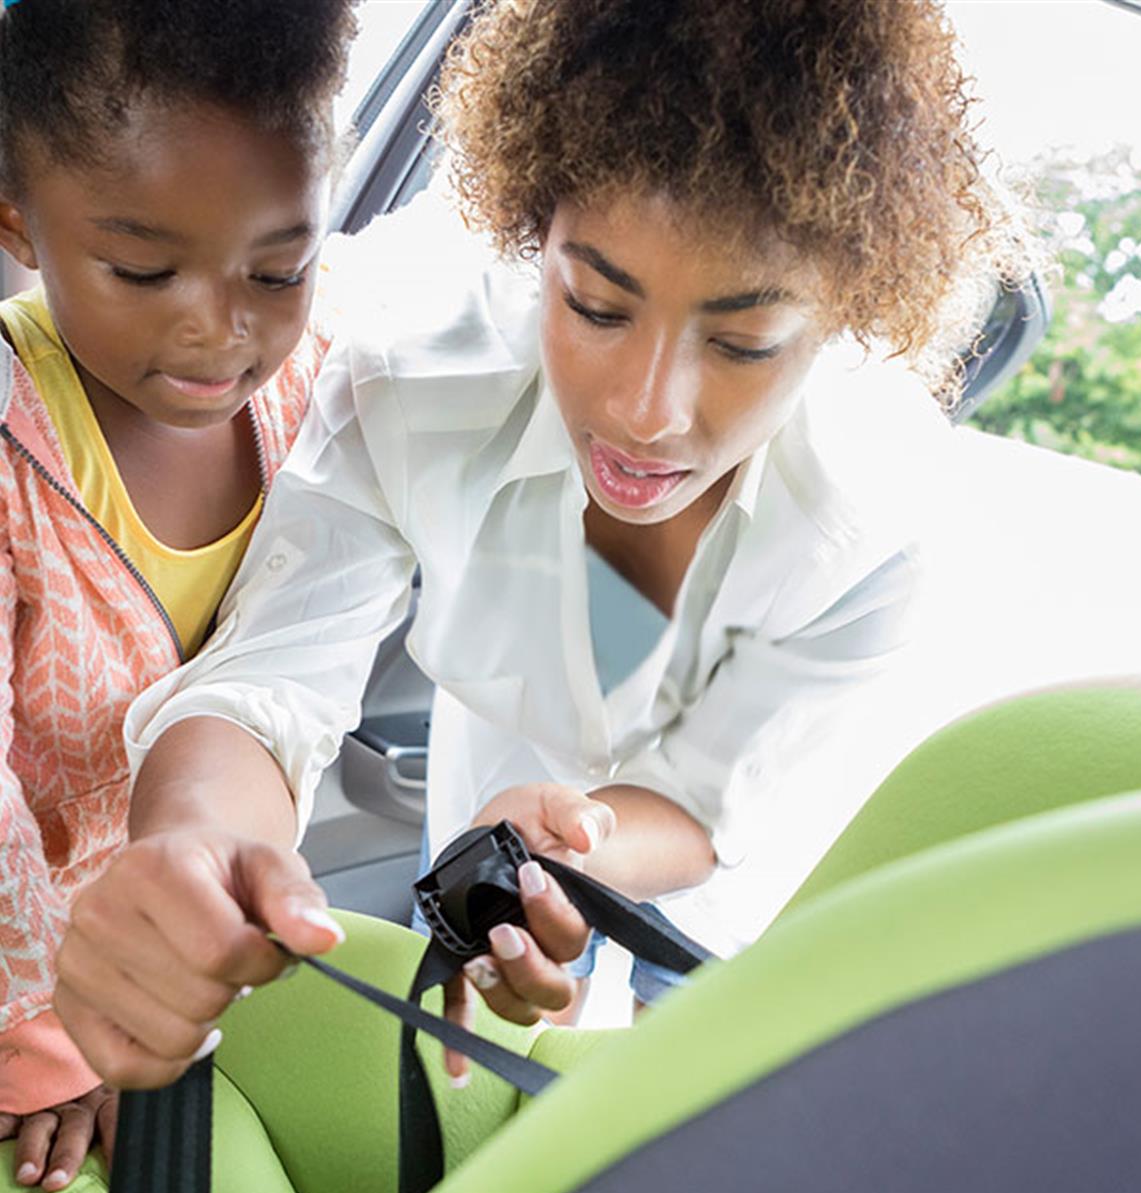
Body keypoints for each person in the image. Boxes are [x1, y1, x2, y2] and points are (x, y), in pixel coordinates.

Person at [56, 0, 1024, 1095]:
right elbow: (274, 680)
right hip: (498, 827)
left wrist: (588, 852)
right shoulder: (409, 394)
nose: (647, 412)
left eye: (744, 342)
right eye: (597, 306)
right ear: (537, 242)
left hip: (726, 924)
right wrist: (190, 850)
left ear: (846, 313)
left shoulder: (870, 534)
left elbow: (704, 802)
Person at [0, 0, 358, 1191]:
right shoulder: (11, 455)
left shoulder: (319, 400)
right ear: (18, 217)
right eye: (143, 269)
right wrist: (61, 1050)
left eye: (281, 267)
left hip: (197, 950)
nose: (220, 327)